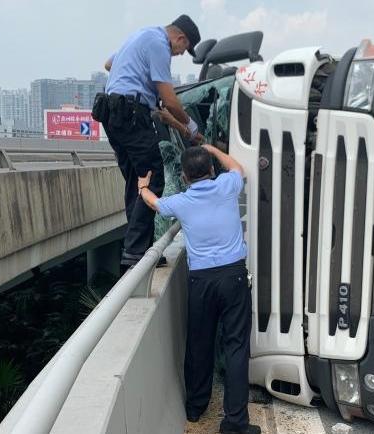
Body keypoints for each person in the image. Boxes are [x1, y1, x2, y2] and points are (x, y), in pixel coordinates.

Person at [139, 145, 261, 434]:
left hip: (201, 281)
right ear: (211, 170)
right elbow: (237, 168)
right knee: (236, 348)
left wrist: (142, 188)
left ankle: (195, 408)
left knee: (199, 345)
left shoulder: (181, 201)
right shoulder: (226, 185)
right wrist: (211, 148)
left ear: (183, 176)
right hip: (233, 277)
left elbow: (155, 203)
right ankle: (235, 423)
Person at [94, 14, 202, 270]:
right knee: (153, 178)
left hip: (112, 114)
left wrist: (137, 79)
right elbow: (171, 100)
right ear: (180, 38)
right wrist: (191, 126)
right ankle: (135, 252)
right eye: (183, 50)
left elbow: (110, 64)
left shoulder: (141, 35)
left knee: (137, 181)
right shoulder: (159, 45)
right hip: (132, 114)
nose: (179, 54)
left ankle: (139, 249)